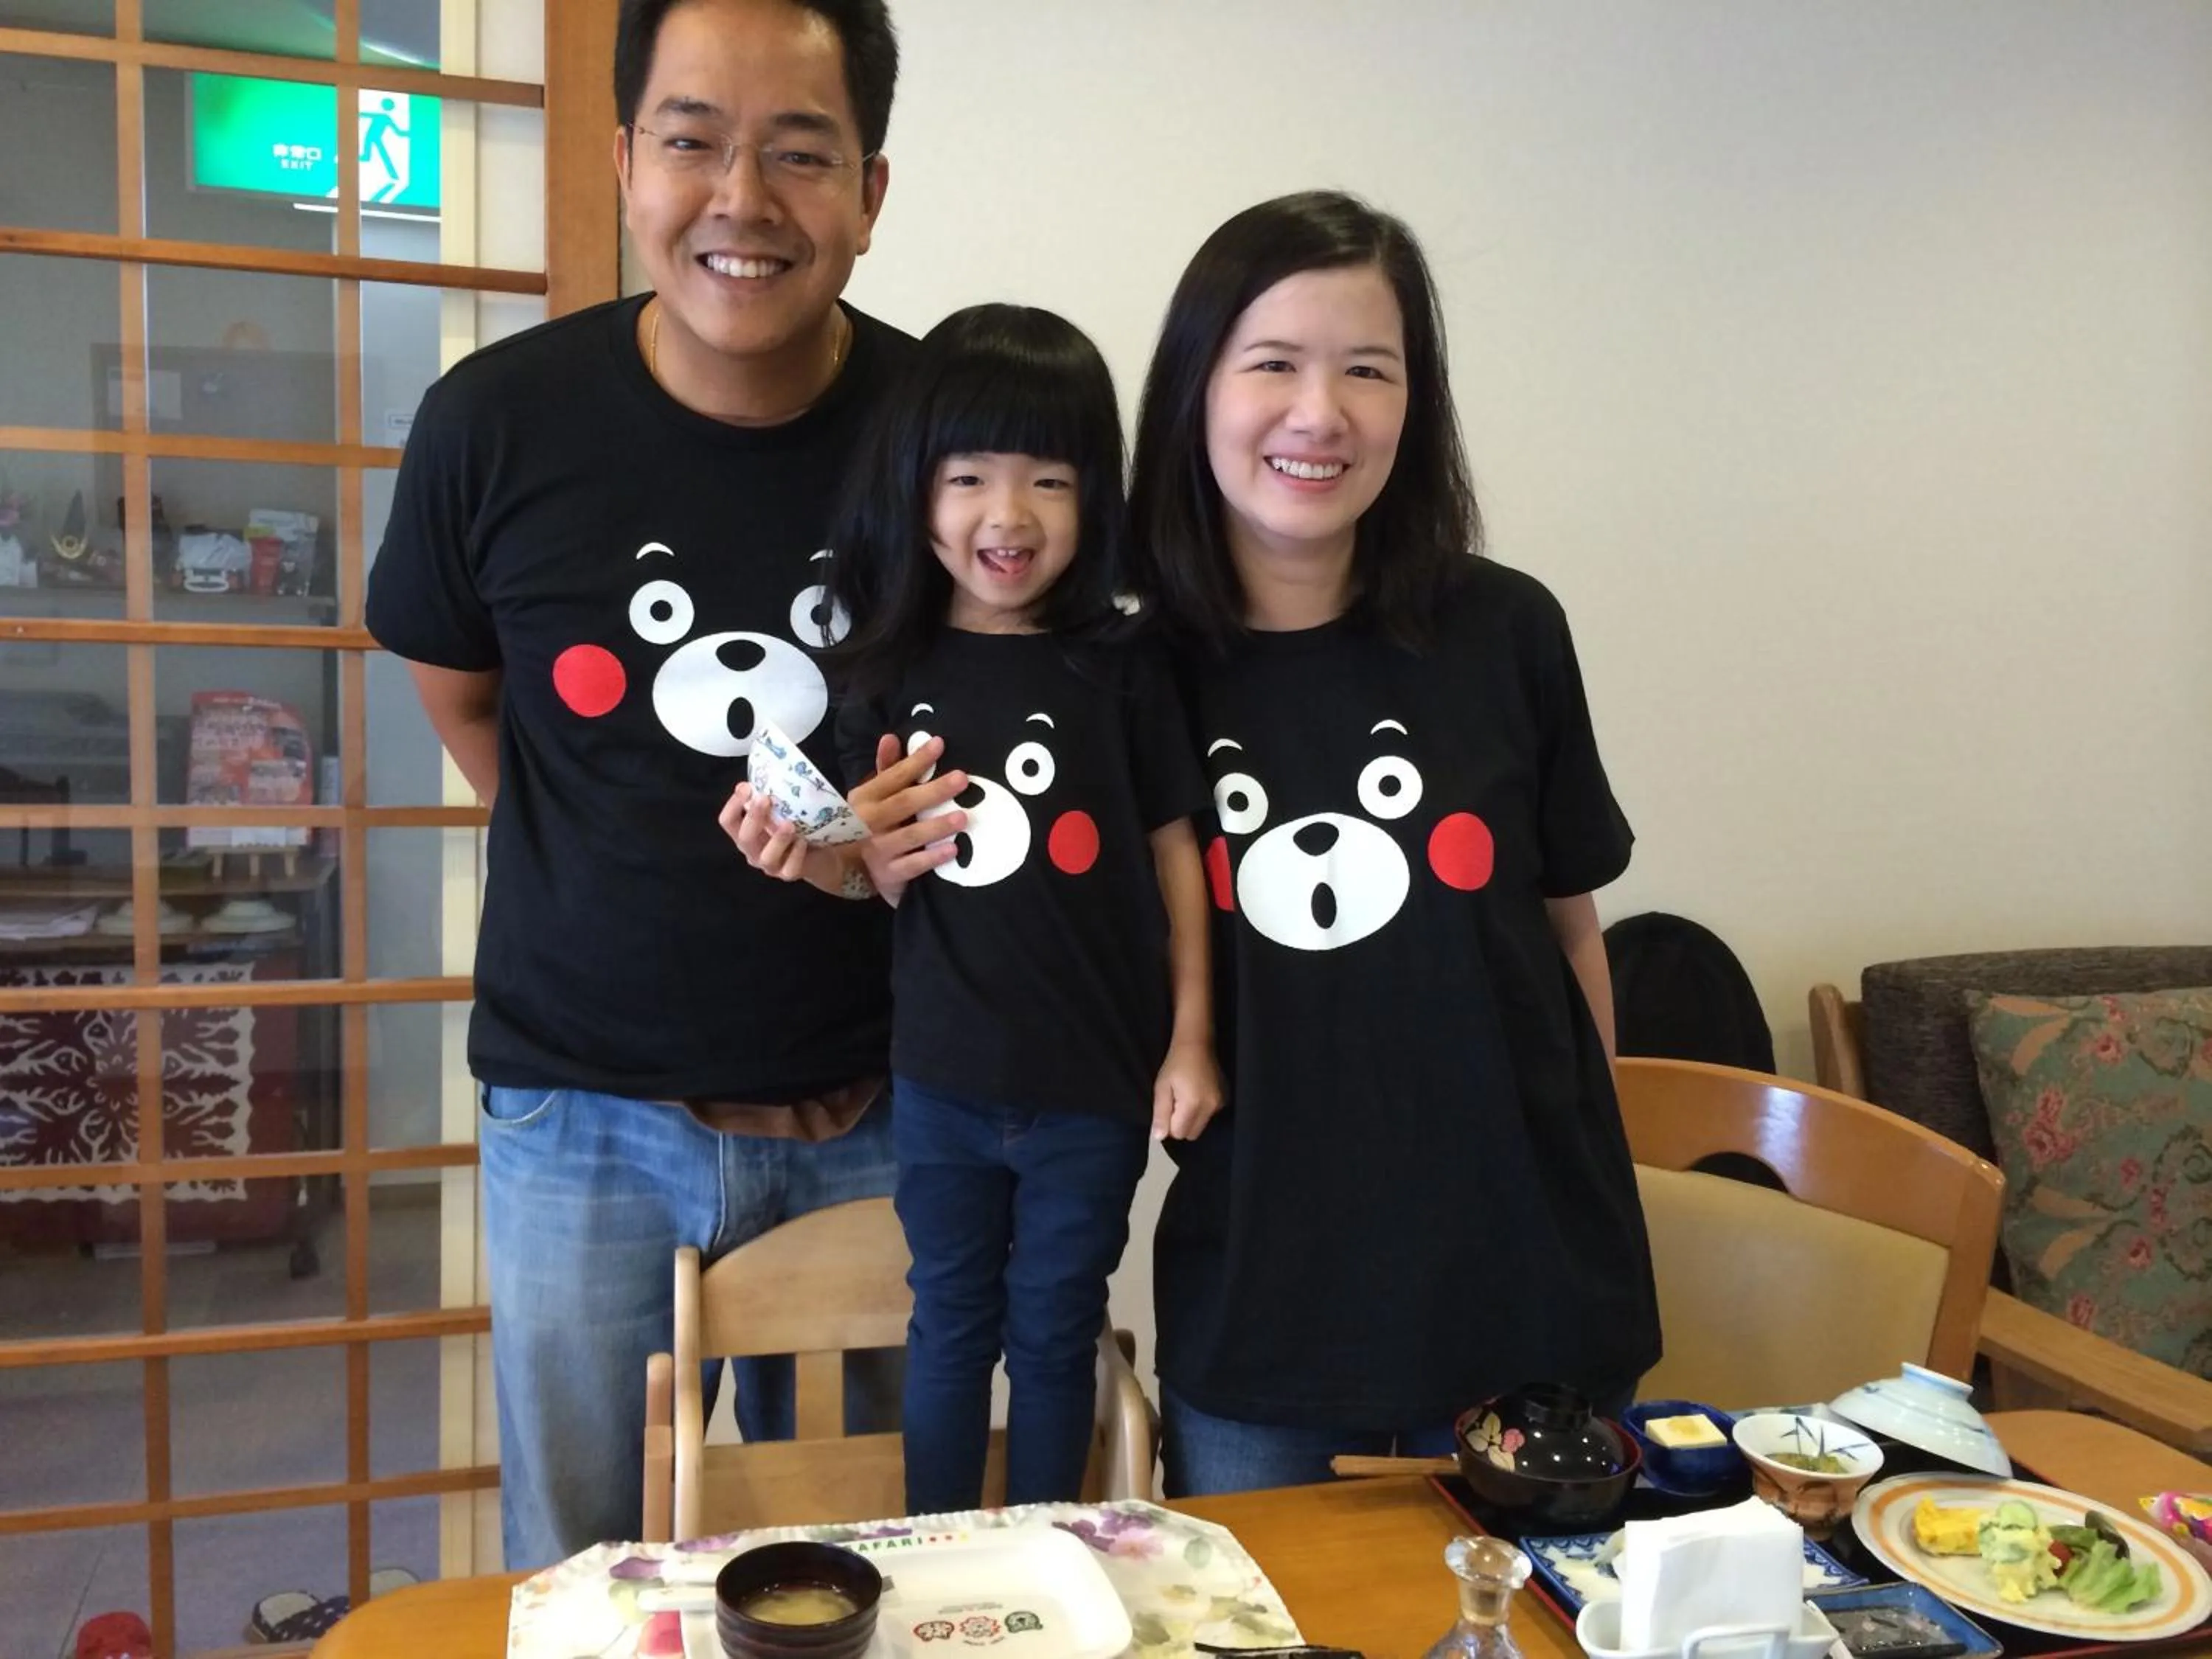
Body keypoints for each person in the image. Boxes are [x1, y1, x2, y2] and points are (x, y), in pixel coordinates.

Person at [364, 0, 961, 1568]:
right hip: (581, 1112)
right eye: (693, 141)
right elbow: (464, 693)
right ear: (629, 160)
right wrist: (607, 860)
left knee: (865, 1569)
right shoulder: (492, 426)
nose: (741, 202)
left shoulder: (947, 444)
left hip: (889, 1103)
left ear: (872, 193)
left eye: (800, 153)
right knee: (584, 1568)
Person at [1124, 191, 1662, 1495]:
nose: (1323, 413)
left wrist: (1595, 1179)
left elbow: (1566, 931)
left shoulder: (1506, 628)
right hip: (1269, 1306)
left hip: (1529, 1287)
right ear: (1197, 387)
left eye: (1369, 370)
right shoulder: (1131, 672)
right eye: (1274, 365)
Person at [720, 305, 1222, 1512]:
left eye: (1050, 478)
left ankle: (1050, 1547)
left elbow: (1177, 855)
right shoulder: (885, 669)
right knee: (946, 1328)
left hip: (1093, 1089)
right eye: (971, 477)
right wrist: (810, 857)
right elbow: (861, 870)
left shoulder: (1126, 663)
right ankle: (942, 1558)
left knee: (1056, 1332)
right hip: (940, 1081)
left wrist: (1193, 1034)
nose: (1010, 515)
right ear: (918, 487)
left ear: (1095, 494)